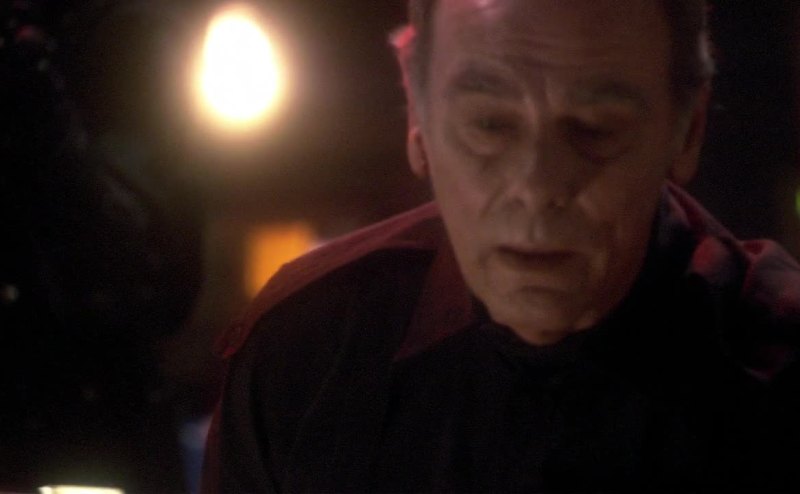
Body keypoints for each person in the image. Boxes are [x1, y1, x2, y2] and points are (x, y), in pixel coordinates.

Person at [202, 0, 800, 491]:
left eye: (596, 129)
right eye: (490, 124)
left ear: (687, 129)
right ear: (418, 118)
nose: (537, 186)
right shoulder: (306, 358)